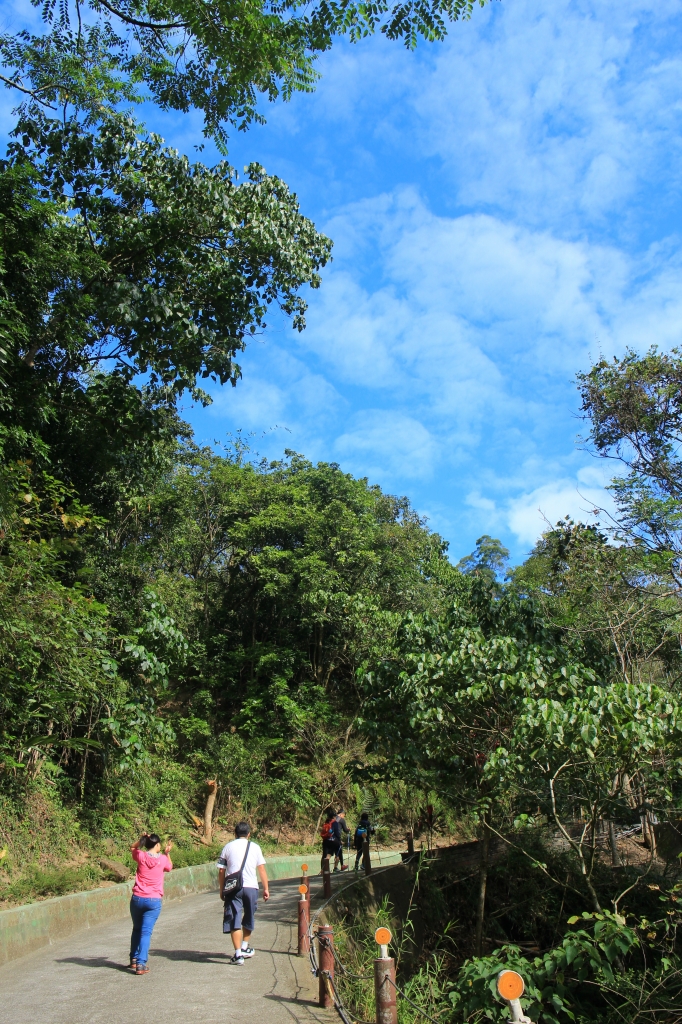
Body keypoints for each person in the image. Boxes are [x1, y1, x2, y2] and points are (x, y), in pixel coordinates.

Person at [217, 821, 269, 965]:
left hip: (234, 888)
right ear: (249, 834)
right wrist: (266, 888)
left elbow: (221, 870)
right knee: (249, 916)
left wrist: (222, 889)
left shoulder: (228, 847)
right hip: (251, 887)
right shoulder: (255, 847)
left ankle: (238, 954)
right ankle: (245, 946)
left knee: (235, 918)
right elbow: (262, 869)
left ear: (235, 833)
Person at [129, 832, 173, 975]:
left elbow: (132, 848)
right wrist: (167, 854)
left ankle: (134, 959)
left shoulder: (141, 856)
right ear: (158, 845)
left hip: (137, 898)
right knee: (146, 932)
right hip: (153, 900)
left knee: (136, 929)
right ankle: (141, 964)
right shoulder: (162, 859)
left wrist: (141, 840)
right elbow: (169, 867)